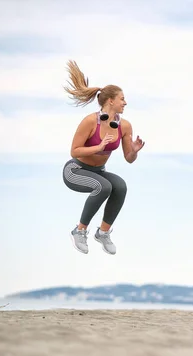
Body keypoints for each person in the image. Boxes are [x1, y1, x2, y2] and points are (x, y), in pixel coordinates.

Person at [61, 60, 145, 255]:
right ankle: (79, 231)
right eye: (122, 99)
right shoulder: (90, 121)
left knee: (120, 186)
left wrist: (134, 150)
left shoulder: (124, 126)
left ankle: (103, 233)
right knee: (104, 186)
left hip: (99, 172)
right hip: (75, 171)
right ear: (110, 101)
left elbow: (128, 159)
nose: (125, 102)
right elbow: (74, 151)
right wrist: (98, 147)